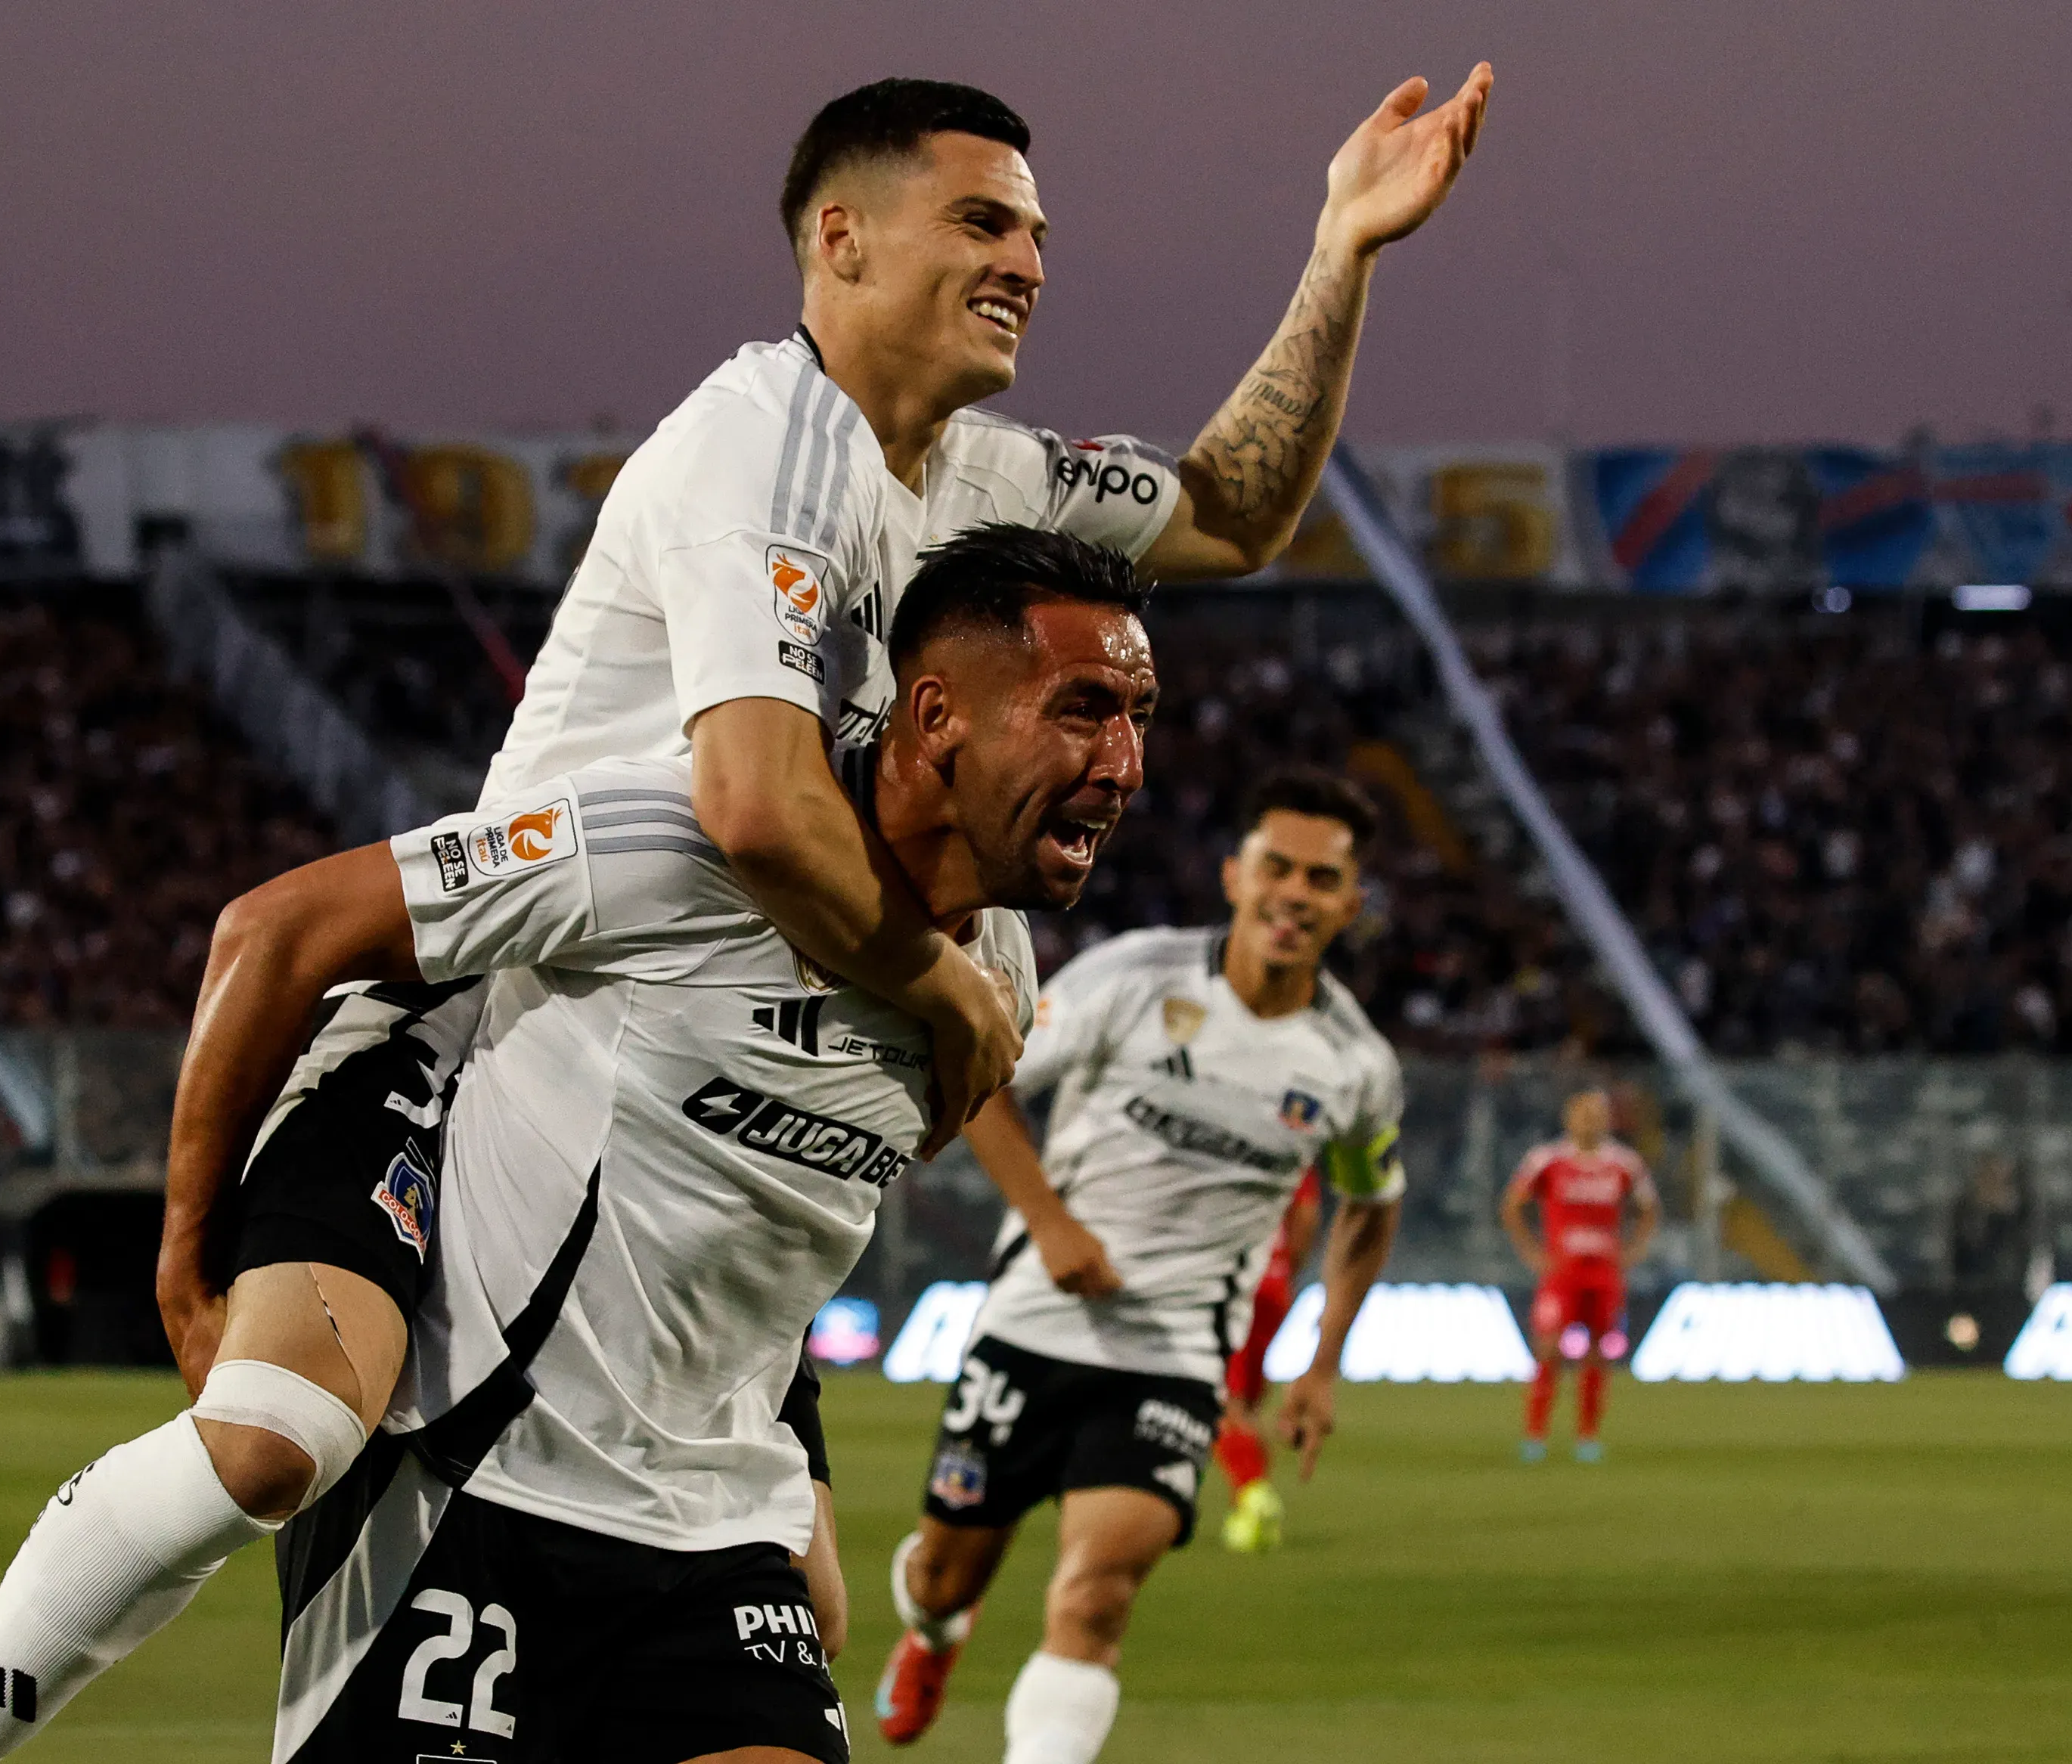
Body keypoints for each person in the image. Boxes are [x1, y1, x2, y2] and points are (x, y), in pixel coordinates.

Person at [132, 68, 1497, 1715]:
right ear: (839, 241)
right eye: (981, 219)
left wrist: (1342, 248)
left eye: (1039, 232)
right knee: (276, 1445)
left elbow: (1233, 509)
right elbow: (761, 806)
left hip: (711, 1108)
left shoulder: (989, 484)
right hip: (496, 1067)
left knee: (808, 1620)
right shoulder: (766, 442)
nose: (1029, 261)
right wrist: (949, 995)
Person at [0, 525, 1153, 1764]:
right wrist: (188, 1257)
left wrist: (792, 1451)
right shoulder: (677, 842)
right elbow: (276, 934)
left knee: (816, 1613)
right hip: (472, 1460)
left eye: (1139, 715)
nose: (1126, 760)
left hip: (697, 1514)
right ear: (935, 716)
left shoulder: (995, 978)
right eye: (1085, 707)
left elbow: (772, 1203)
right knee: (272, 1437)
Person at [875, 769, 1408, 1763]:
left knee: (1096, 1595)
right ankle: (936, 1634)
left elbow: (1372, 1202)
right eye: (1277, 867)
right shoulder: (1133, 978)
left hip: (1174, 1356)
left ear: (1349, 902)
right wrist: (1050, 1223)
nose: (1296, 893)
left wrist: (1325, 1361)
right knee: (947, 1574)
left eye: (1322, 878)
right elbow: (981, 1069)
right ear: (1235, 875)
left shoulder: (1354, 1064)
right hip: (1031, 1323)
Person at [1501, 1089, 1659, 1464]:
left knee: (1598, 1352)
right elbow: (1512, 1206)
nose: (1591, 1121)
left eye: (1598, 1114)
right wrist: (1531, 1252)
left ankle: (1587, 1436)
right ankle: (1535, 1433)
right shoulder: (1547, 1160)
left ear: (1608, 1120)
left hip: (1604, 1273)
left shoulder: (1624, 1163)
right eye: (1584, 1114)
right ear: (1569, 1118)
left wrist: (1634, 1251)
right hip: (1562, 1273)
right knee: (1549, 1348)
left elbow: (1649, 1209)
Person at [1212, 1164, 1323, 1552]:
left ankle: (1253, 1494)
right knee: (1251, 1402)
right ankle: (1251, 1515)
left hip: (1232, 1285)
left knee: (1225, 1403)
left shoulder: (1223, 1142)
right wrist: (1288, 1267)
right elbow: (1307, 1213)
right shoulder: (1293, 1147)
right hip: (1274, 1287)